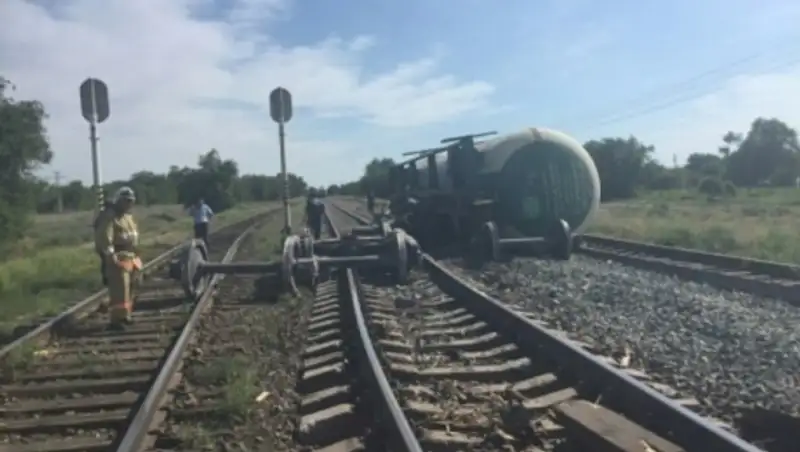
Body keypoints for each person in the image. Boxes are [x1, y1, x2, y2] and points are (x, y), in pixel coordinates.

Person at [94, 186, 142, 330]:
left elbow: (133, 236)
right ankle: (117, 320)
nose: (129, 203)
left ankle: (126, 315)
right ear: (119, 201)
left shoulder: (128, 217)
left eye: (131, 201)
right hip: (119, 258)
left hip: (131, 257)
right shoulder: (110, 216)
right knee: (119, 290)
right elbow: (104, 238)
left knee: (130, 289)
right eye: (126, 201)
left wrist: (137, 254)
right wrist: (110, 256)